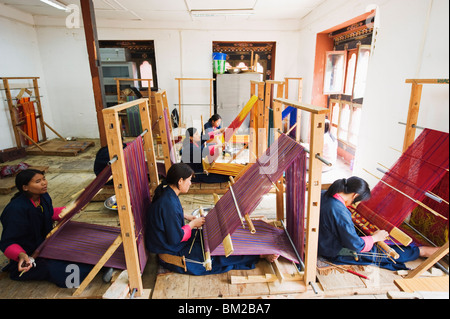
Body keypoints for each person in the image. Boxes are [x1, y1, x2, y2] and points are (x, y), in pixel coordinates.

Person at [145, 163, 276, 275]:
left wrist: (185, 216)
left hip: (170, 242)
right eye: (189, 180)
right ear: (180, 181)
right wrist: (192, 224)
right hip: (170, 250)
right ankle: (258, 255)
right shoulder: (168, 203)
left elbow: (166, 216)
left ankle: (255, 251)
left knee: (208, 237)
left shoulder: (167, 193)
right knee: (217, 256)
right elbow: (175, 238)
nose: (190, 183)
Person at [318, 177, 439, 271]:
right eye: (356, 201)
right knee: (381, 252)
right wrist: (376, 237)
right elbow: (356, 245)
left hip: (323, 241)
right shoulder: (339, 211)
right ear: (355, 195)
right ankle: (421, 251)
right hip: (334, 251)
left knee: (364, 236)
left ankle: (418, 250)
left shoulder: (324, 194)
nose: (351, 204)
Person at [0, 169, 93, 287]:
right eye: (38, 181)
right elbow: (8, 241)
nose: (44, 183)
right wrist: (22, 255)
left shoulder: (43, 197)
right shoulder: (15, 210)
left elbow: (47, 214)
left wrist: (69, 209)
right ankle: (97, 270)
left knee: (81, 245)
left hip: (46, 244)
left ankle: (101, 266)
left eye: (44, 179)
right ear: (25, 187)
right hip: (31, 255)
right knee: (60, 269)